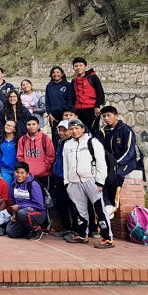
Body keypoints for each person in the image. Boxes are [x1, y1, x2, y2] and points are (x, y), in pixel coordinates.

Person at [63, 118, 114, 248]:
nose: (74, 131)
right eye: (71, 129)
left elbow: (101, 163)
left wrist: (100, 182)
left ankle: (107, 238)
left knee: (99, 210)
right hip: (74, 182)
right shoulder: (67, 145)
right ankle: (82, 235)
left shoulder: (93, 142)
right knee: (80, 211)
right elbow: (66, 165)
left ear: (83, 128)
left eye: (76, 128)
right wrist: (67, 182)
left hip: (91, 180)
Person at [99, 105, 138, 215]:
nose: (106, 118)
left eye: (109, 115)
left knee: (118, 174)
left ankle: (114, 205)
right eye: (104, 116)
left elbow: (129, 150)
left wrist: (117, 163)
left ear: (116, 116)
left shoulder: (125, 129)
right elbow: (101, 150)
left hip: (127, 162)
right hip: (111, 162)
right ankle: (107, 204)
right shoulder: (103, 132)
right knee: (102, 176)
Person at [52, 120, 79, 239]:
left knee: (73, 205)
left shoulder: (74, 143)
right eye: (60, 130)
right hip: (58, 177)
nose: (61, 133)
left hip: (70, 179)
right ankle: (66, 227)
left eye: (64, 130)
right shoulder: (59, 142)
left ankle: (76, 230)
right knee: (61, 204)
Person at [6, 161, 46, 241]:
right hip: (22, 213)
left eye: (22, 173)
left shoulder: (33, 185)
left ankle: (37, 230)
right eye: (17, 172)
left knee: (22, 212)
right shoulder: (14, 184)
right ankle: (28, 230)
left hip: (38, 214)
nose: (19, 175)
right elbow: (13, 201)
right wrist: (14, 214)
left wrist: (20, 207)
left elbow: (40, 206)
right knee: (10, 232)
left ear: (27, 174)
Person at [16, 117, 55, 190]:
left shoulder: (45, 139)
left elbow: (50, 156)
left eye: (33, 124)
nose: (31, 126)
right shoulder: (22, 140)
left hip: (43, 175)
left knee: (43, 197)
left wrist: (44, 168)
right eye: (29, 124)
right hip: (27, 176)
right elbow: (20, 157)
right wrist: (25, 170)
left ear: (38, 125)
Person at [72, 57, 105, 134]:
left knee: (93, 132)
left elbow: (100, 93)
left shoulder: (93, 78)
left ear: (85, 67)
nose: (78, 67)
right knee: (80, 132)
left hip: (92, 110)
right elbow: (73, 96)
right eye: (76, 66)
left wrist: (97, 106)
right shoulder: (74, 81)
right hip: (79, 111)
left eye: (81, 65)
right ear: (73, 68)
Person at [45, 66, 75, 147]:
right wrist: (50, 114)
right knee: (56, 137)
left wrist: (67, 115)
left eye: (58, 72)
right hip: (53, 116)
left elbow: (70, 100)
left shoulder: (67, 85)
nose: (56, 74)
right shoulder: (49, 86)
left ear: (62, 74)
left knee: (67, 135)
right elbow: (47, 102)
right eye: (53, 73)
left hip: (64, 115)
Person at [0, 121, 18, 187]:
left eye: (11, 126)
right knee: (7, 190)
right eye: (7, 125)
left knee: (17, 190)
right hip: (4, 169)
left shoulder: (18, 140)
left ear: (15, 129)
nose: (8, 127)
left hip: (17, 169)